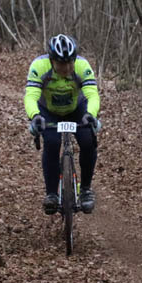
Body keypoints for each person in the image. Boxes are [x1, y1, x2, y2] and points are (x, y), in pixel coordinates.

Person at [24, 34, 101, 214]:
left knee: (88, 140)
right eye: (60, 64)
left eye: (69, 63)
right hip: (48, 111)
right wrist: (35, 116)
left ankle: (86, 190)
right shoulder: (39, 66)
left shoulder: (82, 66)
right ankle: (52, 193)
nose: (66, 68)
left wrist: (91, 114)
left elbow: (92, 94)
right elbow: (31, 96)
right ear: (51, 61)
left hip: (77, 109)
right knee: (51, 143)